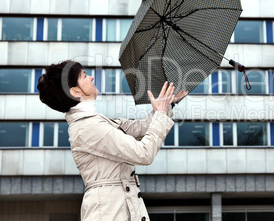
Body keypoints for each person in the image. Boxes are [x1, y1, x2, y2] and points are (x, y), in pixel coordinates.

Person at [37, 60, 188, 221]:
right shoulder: (88, 127)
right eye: (84, 76)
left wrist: (167, 105)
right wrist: (160, 113)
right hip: (110, 211)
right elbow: (143, 153)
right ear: (75, 91)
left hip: (114, 207)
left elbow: (139, 128)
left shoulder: (96, 121)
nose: (91, 78)